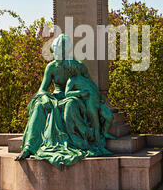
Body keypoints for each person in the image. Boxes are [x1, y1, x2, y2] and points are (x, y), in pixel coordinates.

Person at [14, 34, 113, 169]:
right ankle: (28, 148)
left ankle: (78, 141)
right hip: (55, 97)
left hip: (73, 98)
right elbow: (42, 90)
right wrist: (43, 97)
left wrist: (95, 99)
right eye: (55, 50)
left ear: (67, 51)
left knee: (71, 104)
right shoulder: (51, 67)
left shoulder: (78, 66)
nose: (56, 53)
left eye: (60, 50)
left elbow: (91, 86)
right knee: (38, 106)